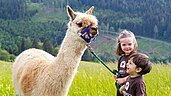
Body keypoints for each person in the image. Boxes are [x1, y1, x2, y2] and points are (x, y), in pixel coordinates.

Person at [114, 29, 138, 96]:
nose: (127, 47)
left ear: (134, 44)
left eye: (129, 44)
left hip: (131, 89)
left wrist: (124, 79)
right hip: (121, 89)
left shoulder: (136, 58)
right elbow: (121, 72)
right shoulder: (121, 58)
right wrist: (118, 76)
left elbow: (138, 75)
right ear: (120, 46)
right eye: (124, 45)